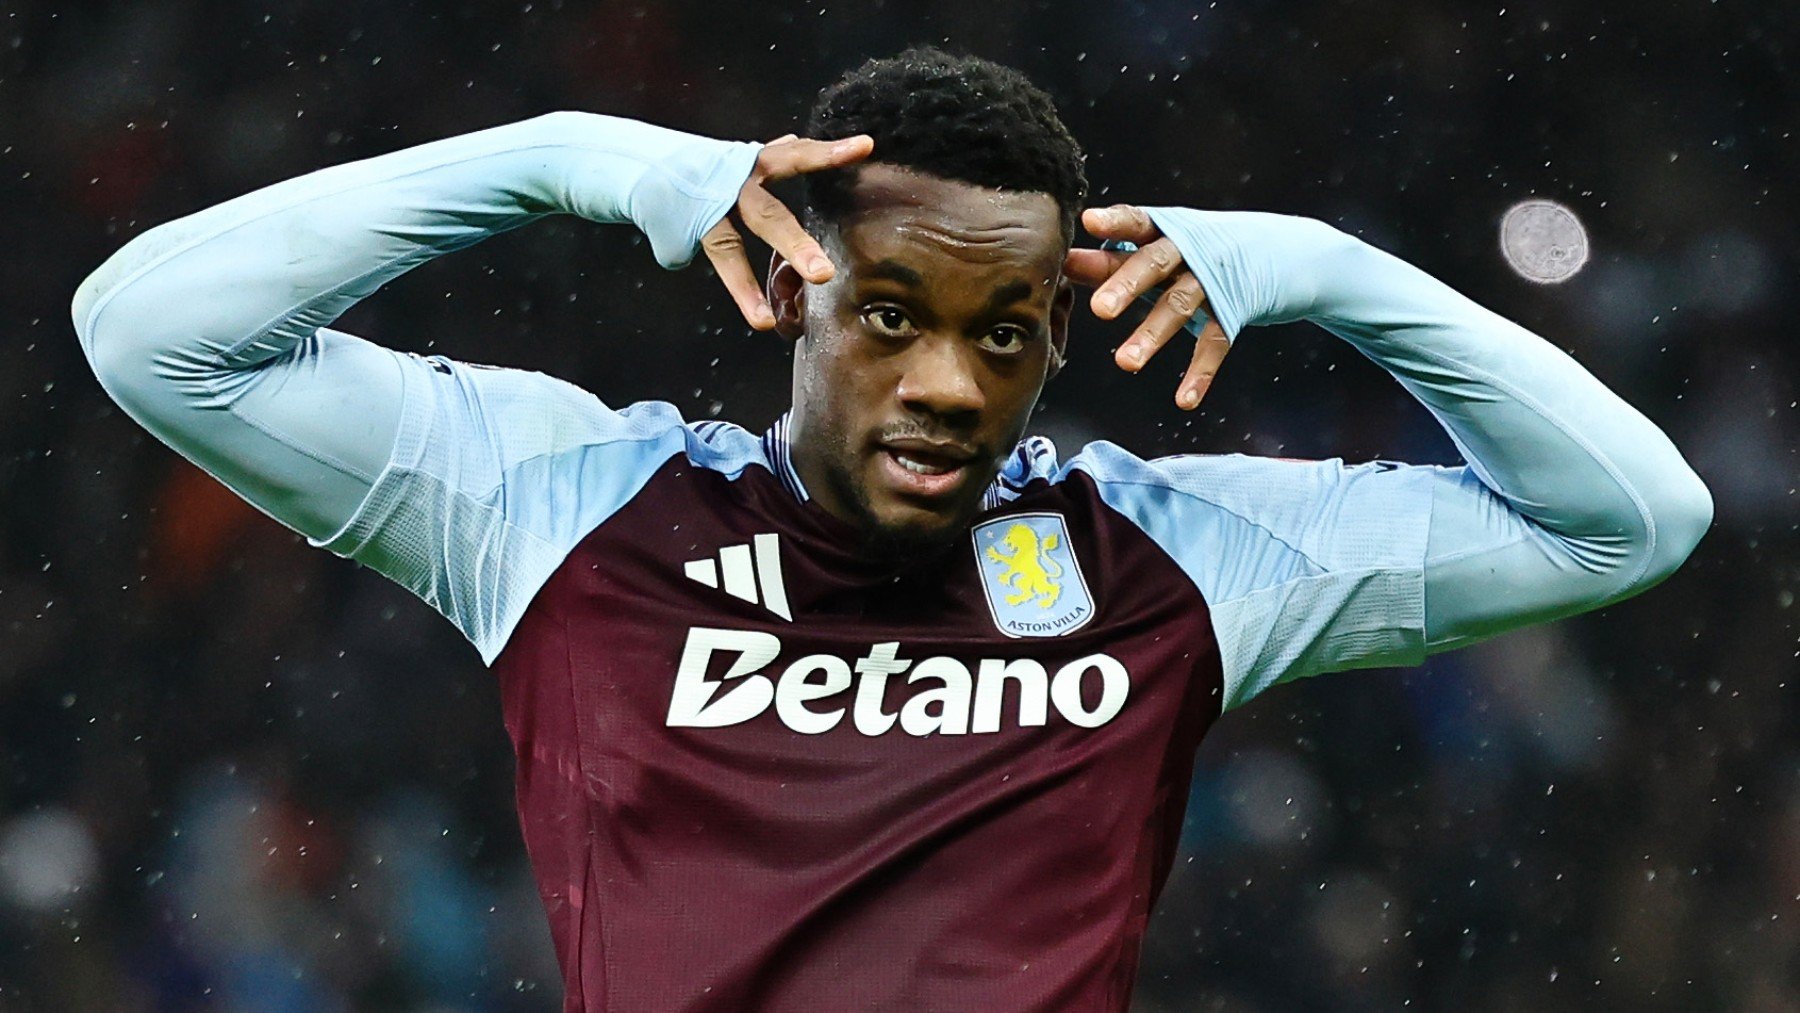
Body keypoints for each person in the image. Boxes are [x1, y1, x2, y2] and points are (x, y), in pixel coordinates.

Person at [72, 46, 1710, 1013]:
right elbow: (151, 330)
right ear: (794, 291)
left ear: (1055, 349)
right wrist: (556, 158)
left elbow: (1632, 518)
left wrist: (1326, 271)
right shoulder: (563, 502)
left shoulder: (1171, 557)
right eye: (894, 316)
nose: (945, 382)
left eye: (1003, 333)